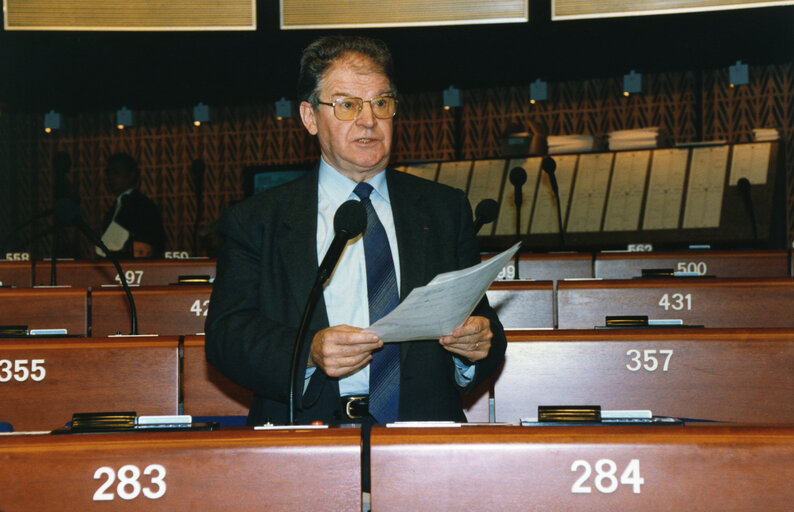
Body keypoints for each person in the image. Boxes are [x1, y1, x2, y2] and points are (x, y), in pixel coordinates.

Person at [205, 35, 506, 427]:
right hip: (306, 434)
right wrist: (309, 352)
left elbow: (481, 323)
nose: (369, 120)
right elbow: (227, 336)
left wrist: (476, 346)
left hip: (423, 434)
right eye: (347, 104)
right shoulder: (257, 219)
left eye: (381, 103)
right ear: (310, 117)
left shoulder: (444, 209)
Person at [99, 152, 165, 258]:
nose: (110, 177)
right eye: (108, 172)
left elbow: (151, 243)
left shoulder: (143, 206)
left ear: (131, 175)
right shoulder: (115, 206)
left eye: (116, 172)